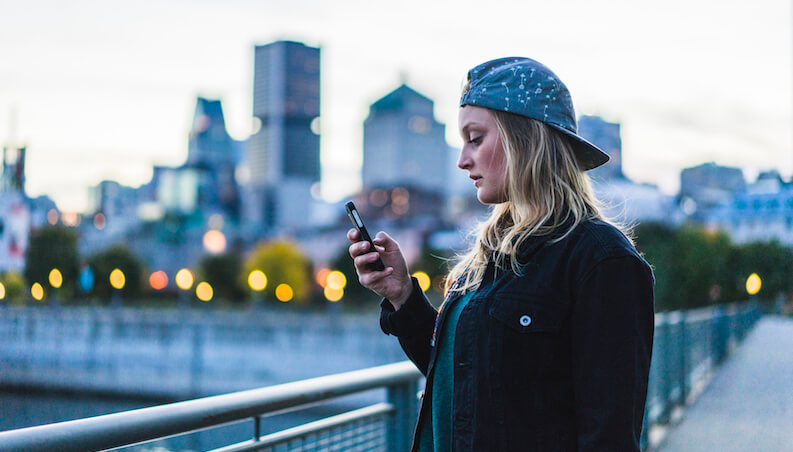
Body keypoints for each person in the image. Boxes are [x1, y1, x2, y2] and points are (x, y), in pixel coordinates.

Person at [348, 57, 654, 452]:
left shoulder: (602, 262)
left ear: (524, 140)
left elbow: (608, 438)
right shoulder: (487, 256)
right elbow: (463, 380)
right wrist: (402, 295)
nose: (462, 160)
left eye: (475, 138)